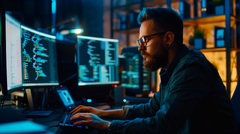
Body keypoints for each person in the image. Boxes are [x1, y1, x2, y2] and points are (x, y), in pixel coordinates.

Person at [70, 7, 237, 133]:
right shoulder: (172, 70)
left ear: (168, 38)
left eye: (145, 40)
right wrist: (102, 113)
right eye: (139, 40)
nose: (140, 47)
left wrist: (105, 125)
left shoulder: (191, 68)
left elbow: (163, 124)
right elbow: (150, 109)